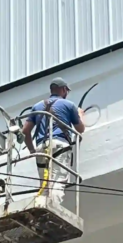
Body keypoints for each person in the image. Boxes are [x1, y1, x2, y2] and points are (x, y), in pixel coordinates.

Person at [22, 78, 85, 207]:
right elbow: (80, 129)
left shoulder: (37, 106)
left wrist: (32, 151)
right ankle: (54, 209)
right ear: (63, 89)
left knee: (44, 184)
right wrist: (80, 114)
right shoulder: (69, 105)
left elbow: (25, 131)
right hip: (59, 145)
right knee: (57, 181)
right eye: (67, 90)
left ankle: (41, 208)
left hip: (41, 148)